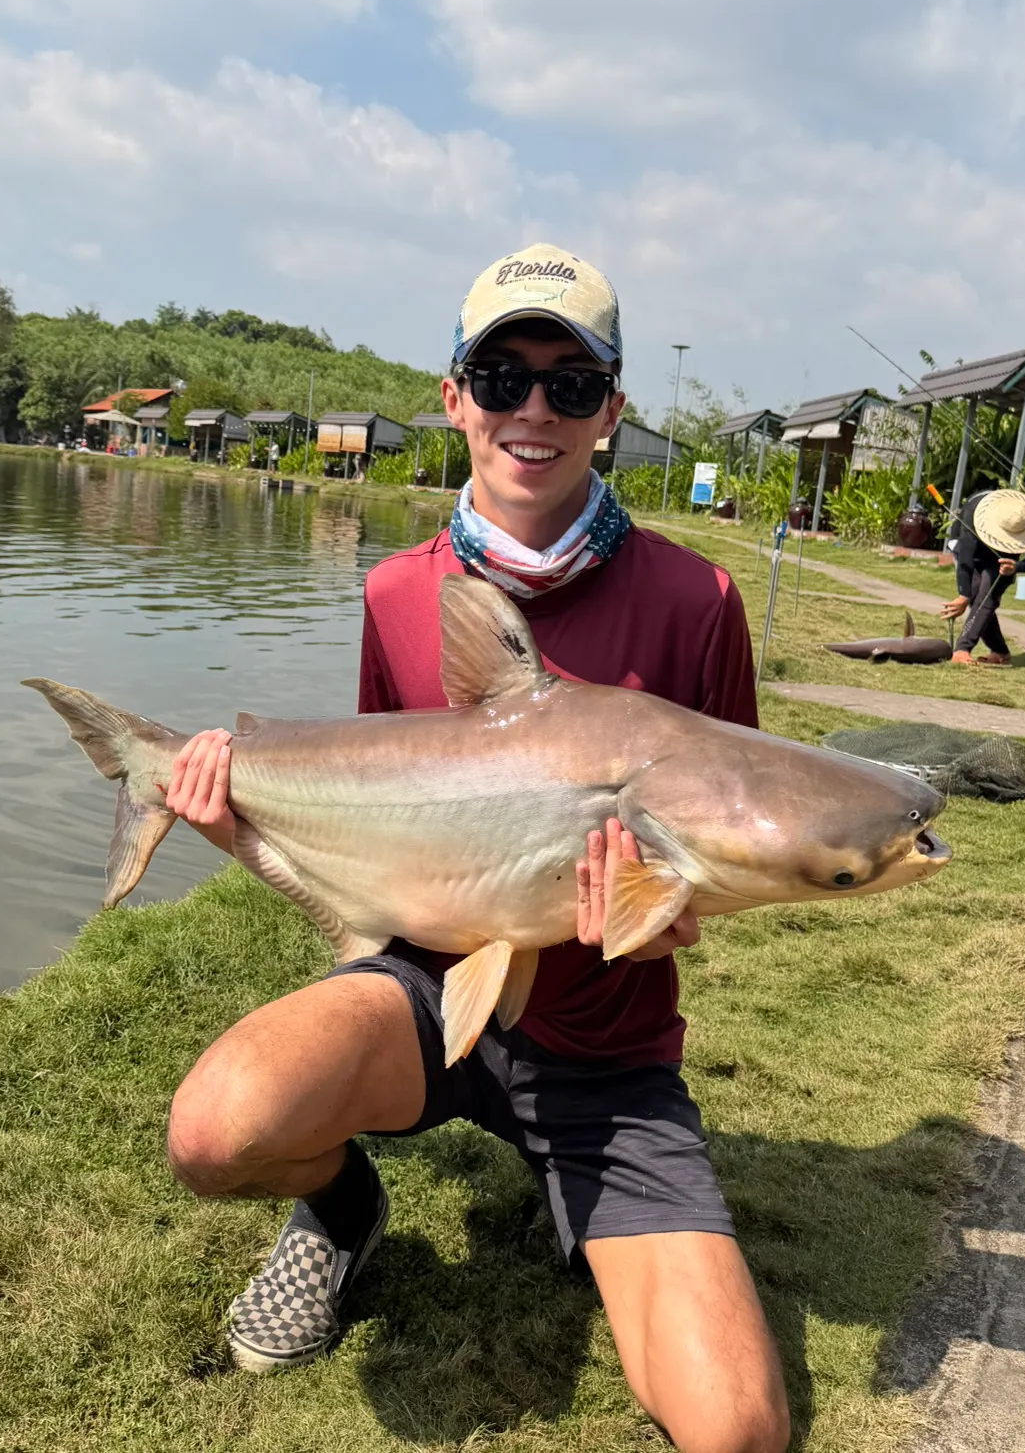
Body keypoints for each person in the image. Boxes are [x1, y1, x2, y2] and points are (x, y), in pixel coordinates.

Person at [159, 244, 791, 1453]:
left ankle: (583, 1191)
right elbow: (382, 823)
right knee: (214, 1132)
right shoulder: (397, 593)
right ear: (454, 398)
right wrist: (246, 834)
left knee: (739, 1433)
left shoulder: (699, 602)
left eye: (570, 382)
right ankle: (343, 1209)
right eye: (502, 378)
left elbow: (735, 820)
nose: (533, 410)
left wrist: (678, 908)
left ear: (612, 408)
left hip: (607, 1055)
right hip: (426, 992)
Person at [940, 489, 1025, 665]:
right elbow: (966, 555)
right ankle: (1000, 651)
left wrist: (1016, 567)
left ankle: (962, 649)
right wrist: (963, 595)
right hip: (971, 552)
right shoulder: (974, 511)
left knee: (987, 597)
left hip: (1004, 561)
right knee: (974, 594)